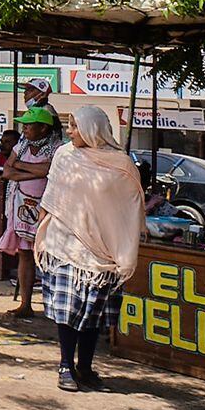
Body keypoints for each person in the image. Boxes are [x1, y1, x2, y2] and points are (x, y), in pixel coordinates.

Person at [35, 105, 144, 392]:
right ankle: (65, 366)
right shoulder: (64, 156)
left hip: (103, 251)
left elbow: (129, 206)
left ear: (92, 128)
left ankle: (85, 366)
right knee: (68, 310)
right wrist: (41, 231)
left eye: (74, 126)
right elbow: (52, 196)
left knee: (93, 313)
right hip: (65, 244)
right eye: (69, 125)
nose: (69, 131)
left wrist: (121, 243)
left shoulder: (121, 164)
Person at [0, 105, 62, 317]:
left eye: (28, 125)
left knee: (48, 256)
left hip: (47, 209)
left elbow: (50, 170)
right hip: (22, 208)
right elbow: (8, 172)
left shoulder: (57, 148)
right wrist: (37, 173)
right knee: (25, 254)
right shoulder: (22, 145)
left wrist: (21, 168)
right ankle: (26, 304)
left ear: (43, 128)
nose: (23, 129)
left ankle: (53, 306)